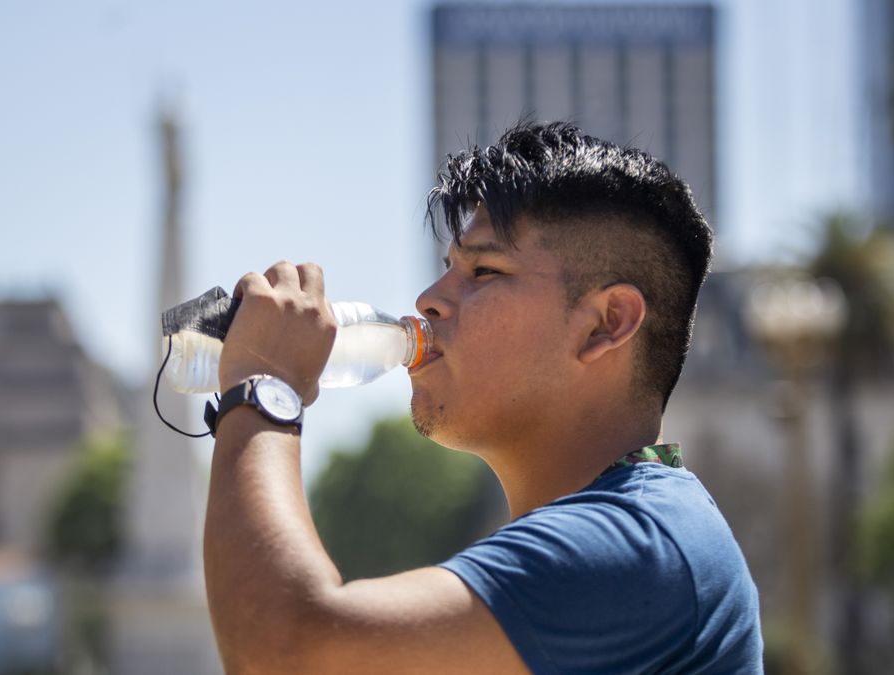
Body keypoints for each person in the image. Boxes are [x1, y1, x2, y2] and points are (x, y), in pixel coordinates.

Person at [203, 121, 763, 673]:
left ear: (605, 324)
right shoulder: (627, 530)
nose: (427, 300)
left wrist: (264, 389)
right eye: (449, 267)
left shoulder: (638, 543)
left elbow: (283, 653)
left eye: (485, 271)